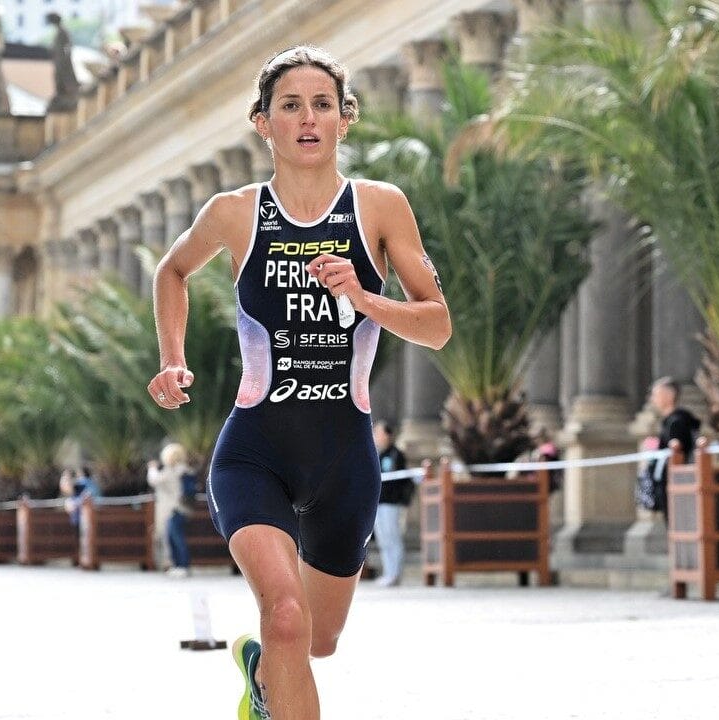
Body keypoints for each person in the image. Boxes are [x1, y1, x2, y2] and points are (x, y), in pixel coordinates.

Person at [146, 45, 451, 720]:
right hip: (256, 450)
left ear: (346, 119)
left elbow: (436, 325)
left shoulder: (379, 208)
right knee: (284, 614)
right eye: (290, 106)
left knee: (319, 639)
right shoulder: (235, 212)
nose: (308, 118)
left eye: (322, 104)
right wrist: (171, 357)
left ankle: (261, 670)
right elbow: (172, 271)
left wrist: (366, 298)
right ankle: (270, 659)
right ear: (263, 122)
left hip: (345, 457)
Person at [637, 377, 701, 515]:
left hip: (676, 481)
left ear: (669, 395)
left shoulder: (677, 421)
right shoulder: (671, 420)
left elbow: (677, 447)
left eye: (656, 394)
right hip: (669, 481)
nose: (653, 399)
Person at [371, 421, 410, 587]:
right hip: (378, 503)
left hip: (391, 503)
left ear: (387, 435)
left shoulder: (396, 454)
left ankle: (395, 573)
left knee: (392, 537)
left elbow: (400, 478)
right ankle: (388, 572)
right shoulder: (378, 454)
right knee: (383, 538)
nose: (375, 436)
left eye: (378, 433)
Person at [147, 444, 194, 578]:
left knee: (175, 538)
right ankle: (180, 566)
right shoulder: (185, 470)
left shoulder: (172, 471)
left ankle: (182, 566)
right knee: (176, 537)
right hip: (183, 509)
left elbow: (154, 480)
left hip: (174, 510)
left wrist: (152, 469)